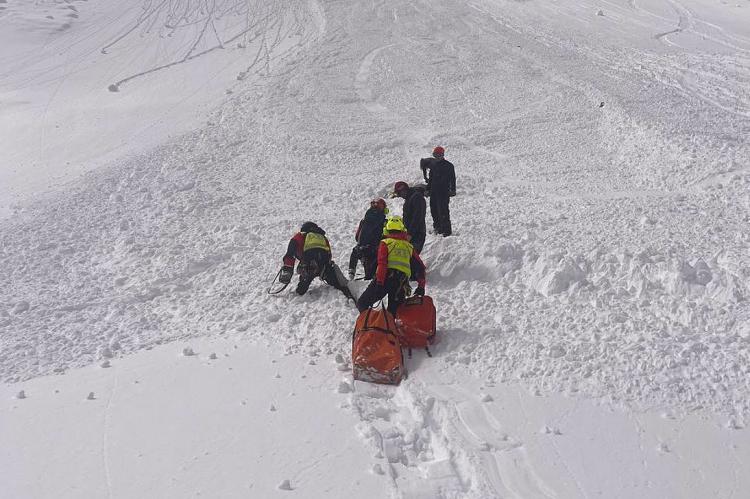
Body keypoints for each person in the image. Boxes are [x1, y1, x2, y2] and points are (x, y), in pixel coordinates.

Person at [356, 216, 426, 315]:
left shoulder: (385, 243)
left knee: (362, 303)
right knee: (394, 313)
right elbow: (420, 267)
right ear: (402, 230)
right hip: (401, 283)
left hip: (385, 279)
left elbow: (382, 264)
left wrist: (379, 283)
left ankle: (372, 325)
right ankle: (389, 327)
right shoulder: (409, 247)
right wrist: (421, 286)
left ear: (387, 230)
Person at [279, 222, 354, 300]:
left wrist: (288, 268)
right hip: (324, 265)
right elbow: (329, 254)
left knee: (301, 290)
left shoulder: (300, 235)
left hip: (309, 265)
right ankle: (348, 297)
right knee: (337, 285)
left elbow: (290, 253)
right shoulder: (322, 237)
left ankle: (299, 294)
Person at [420, 146, 456, 236]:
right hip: (433, 192)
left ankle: (446, 231)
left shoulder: (449, 166)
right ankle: (437, 228)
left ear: (442, 155)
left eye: (439, 154)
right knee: (434, 211)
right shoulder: (433, 166)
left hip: (444, 193)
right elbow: (431, 179)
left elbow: (453, 179)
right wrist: (428, 189)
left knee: (443, 211)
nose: (437, 156)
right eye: (436, 155)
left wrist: (453, 190)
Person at [348, 198, 388, 280]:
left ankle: (351, 272)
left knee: (368, 271)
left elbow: (357, 236)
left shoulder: (364, 220)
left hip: (360, 250)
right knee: (372, 275)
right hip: (375, 251)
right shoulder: (384, 221)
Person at [393, 181, 426, 253]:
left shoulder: (416, 197)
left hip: (417, 234)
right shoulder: (408, 199)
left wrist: (410, 233)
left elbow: (418, 217)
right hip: (410, 233)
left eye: (402, 192)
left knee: (412, 255)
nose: (402, 195)